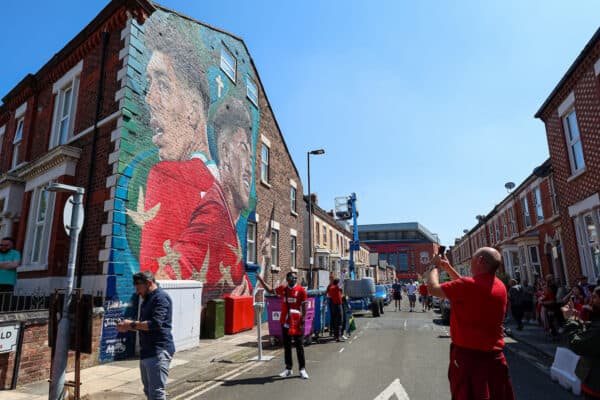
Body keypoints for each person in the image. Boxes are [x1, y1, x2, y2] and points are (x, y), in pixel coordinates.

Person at [137, 14, 250, 298]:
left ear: (193, 108)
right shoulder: (218, 190)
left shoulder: (168, 176)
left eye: (162, 84)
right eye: (149, 85)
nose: (150, 99)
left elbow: (153, 282)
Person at [427, 247, 515, 400]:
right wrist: (448, 268)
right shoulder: (500, 286)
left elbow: (433, 289)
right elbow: (467, 288)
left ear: (480, 261)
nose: (470, 264)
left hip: (469, 360)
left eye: (472, 259)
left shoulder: (469, 286)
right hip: (495, 359)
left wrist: (434, 268)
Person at [117, 271, 175, 400]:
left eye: (139, 288)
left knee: (156, 392)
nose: (137, 292)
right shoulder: (147, 300)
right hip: (147, 351)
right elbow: (144, 326)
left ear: (149, 283)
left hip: (159, 350)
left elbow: (155, 324)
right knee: (148, 390)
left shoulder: (161, 298)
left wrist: (130, 324)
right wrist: (127, 327)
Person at [256, 271, 309, 379]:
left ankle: (302, 369)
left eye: (295, 278)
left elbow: (304, 306)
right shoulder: (283, 289)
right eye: (291, 278)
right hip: (285, 322)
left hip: (296, 322)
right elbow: (270, 291)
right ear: (287, 279)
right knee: (287, 346)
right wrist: (261, 280)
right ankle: (288, 369)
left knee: (299, 346)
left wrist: (303, 320)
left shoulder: (301, 290)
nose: (293, 280)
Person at [565, 286, 600, 399]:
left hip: (595, 384)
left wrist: (571, 321)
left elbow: (576, 344)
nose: (590, 300)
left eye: (594, 297)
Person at [327, 277, 344, 341]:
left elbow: (328, 295)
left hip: (332, 305)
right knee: (340, 320)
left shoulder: (331, 287)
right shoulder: (336, 287)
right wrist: (344, 273)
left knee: (334, 321)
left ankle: (335, 335)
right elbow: (342, 281)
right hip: (338, 305)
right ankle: (338, 337)